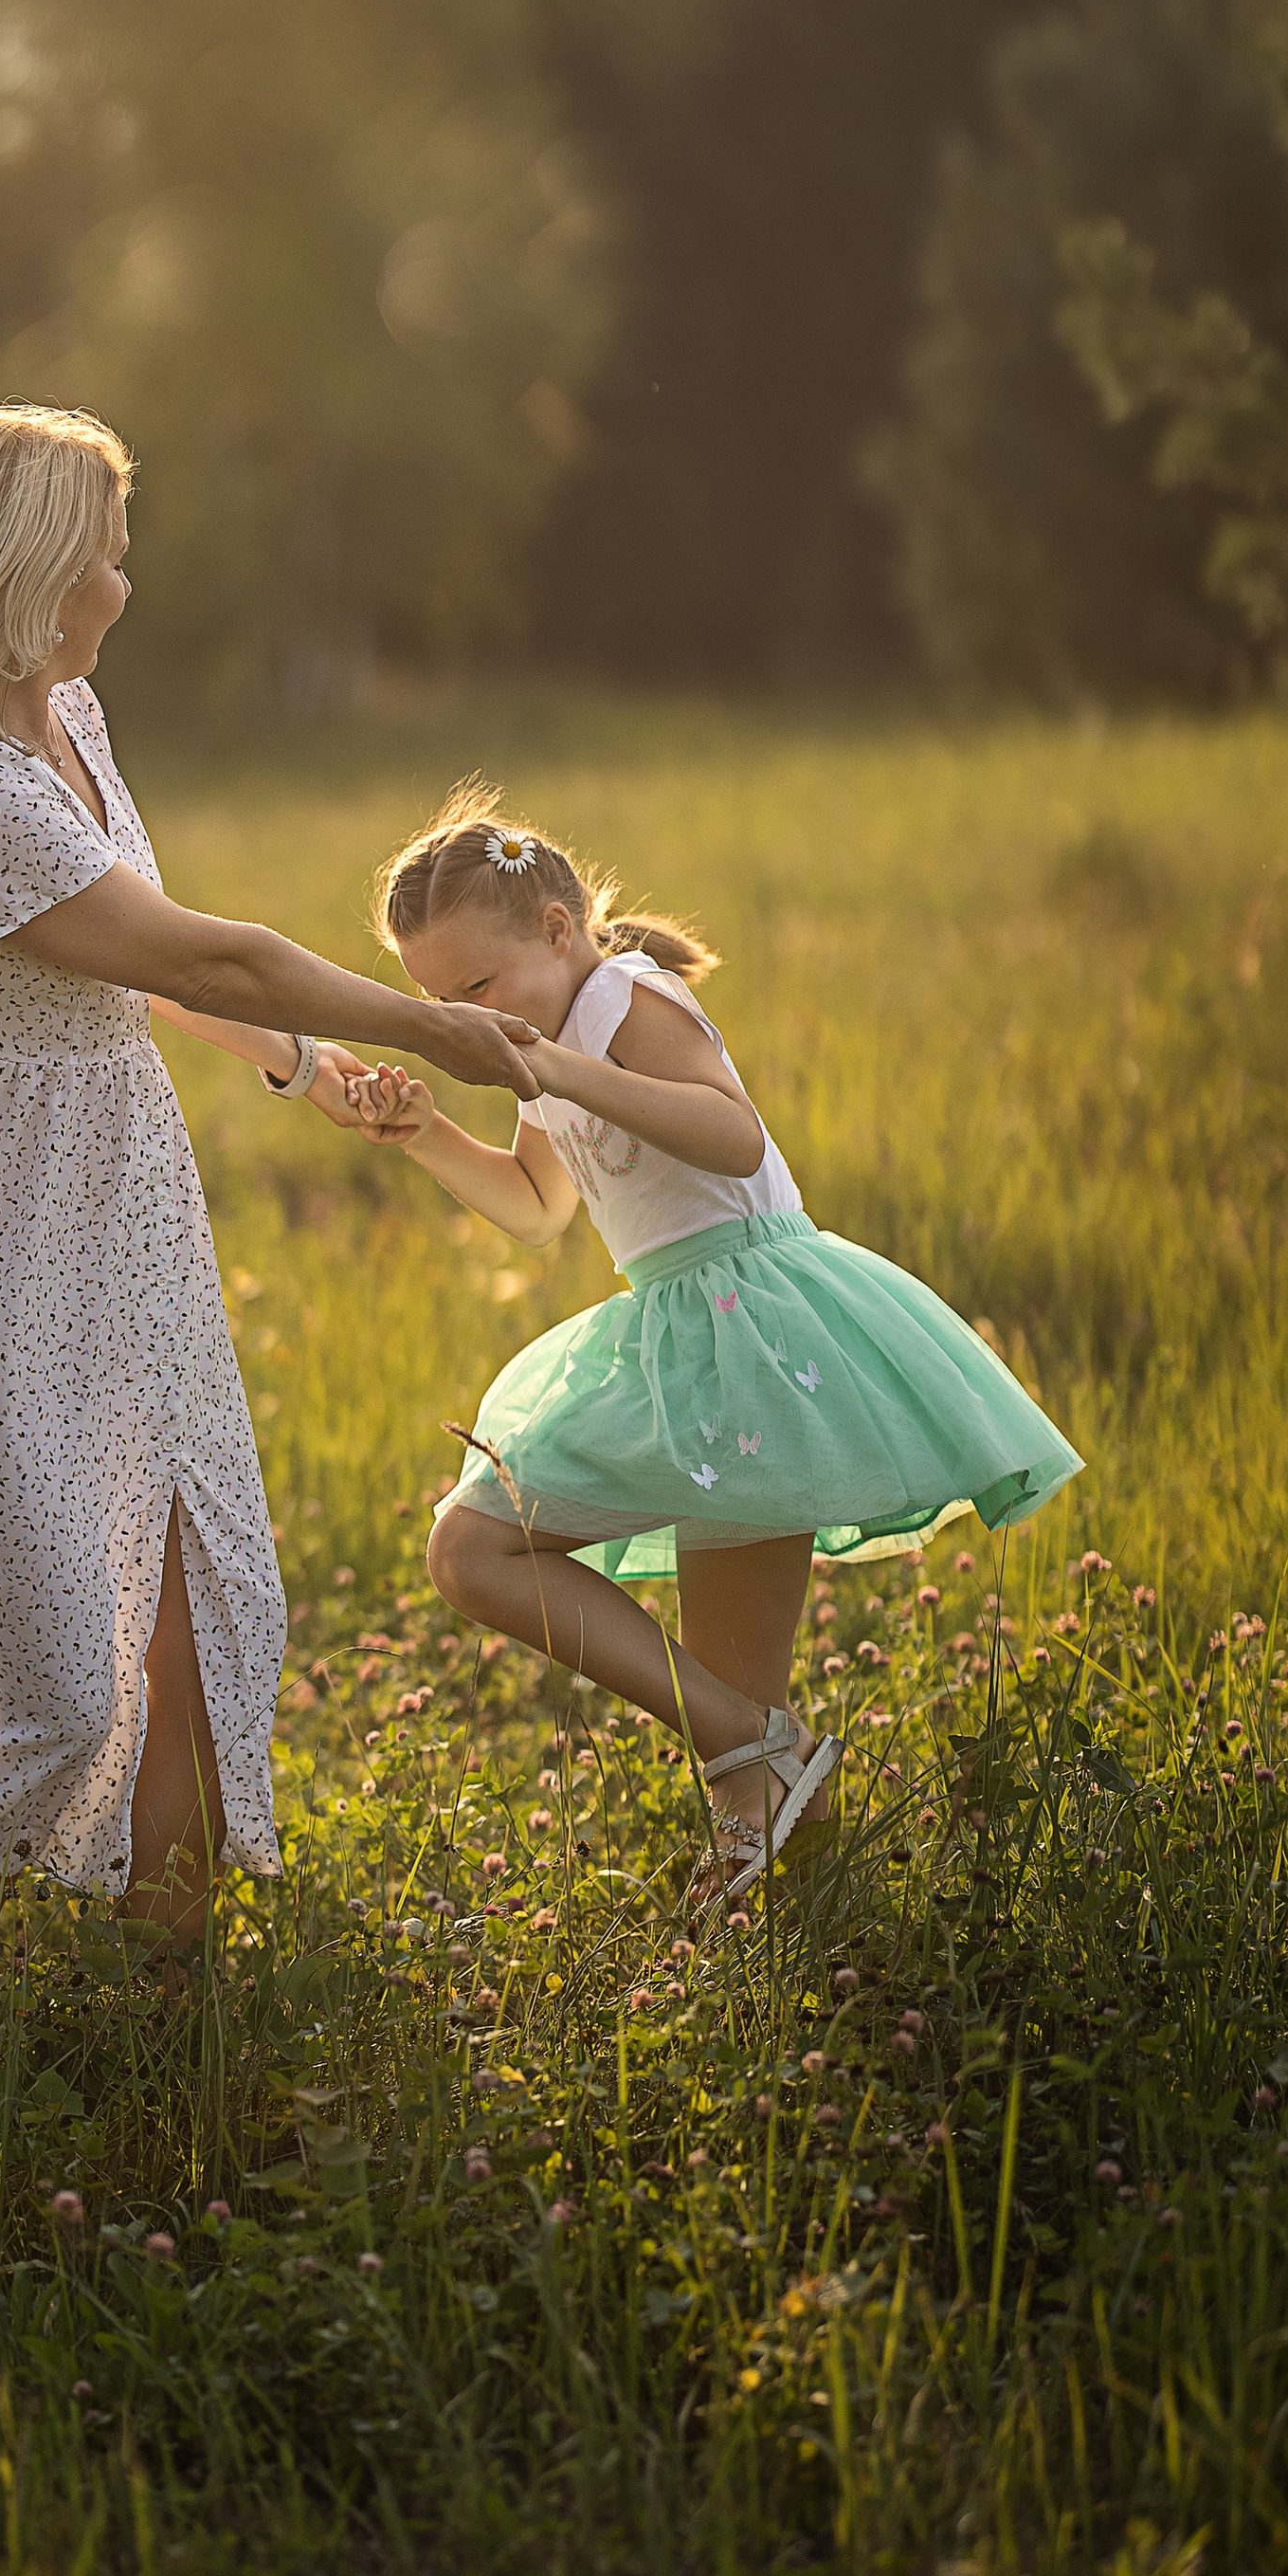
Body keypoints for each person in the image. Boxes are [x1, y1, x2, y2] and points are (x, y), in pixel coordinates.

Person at [0, 409, 535, 2021]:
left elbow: (145, 967)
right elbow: (201, 949)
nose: (126, 572)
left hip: (110, 1217)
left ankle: (169, 2028)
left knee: (186, 1616)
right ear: (37, 561)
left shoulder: (68, 718)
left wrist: (307, 1067)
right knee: (31, 1652)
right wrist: (430, 1026)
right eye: (107, 539)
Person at [344, 781, 1082, 1901]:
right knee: (698, 1702)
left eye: (477, 986)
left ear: (557, 930)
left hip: (756, 1328)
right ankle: (771, 1787)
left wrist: (546, 1067)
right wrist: (429, 1130)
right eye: (440, 1001)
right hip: (684, 1343)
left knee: (476, 1553)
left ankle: (768, 1805)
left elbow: (732, 1136)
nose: (463, 1020)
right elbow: (537, 1206)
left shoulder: (621, 1000)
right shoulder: (542, 1038)